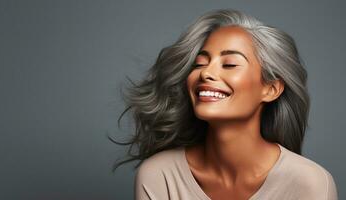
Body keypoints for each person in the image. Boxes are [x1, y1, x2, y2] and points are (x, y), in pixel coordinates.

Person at [110, 8, 338, 200]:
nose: (206, 73)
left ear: (270, 89)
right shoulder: (159, 176)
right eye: (199, 64)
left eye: (229, 64)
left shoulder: (311, 184)